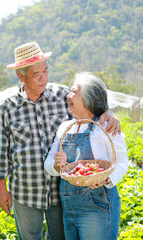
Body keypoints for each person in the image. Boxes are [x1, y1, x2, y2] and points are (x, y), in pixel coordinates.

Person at [0, 42, 121, 240]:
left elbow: (90, 99)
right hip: (25, 189)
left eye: (45, 71)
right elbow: (1, 150)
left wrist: (107, 112)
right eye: (36, 74)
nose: (43, 78)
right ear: (21, 76)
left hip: (59, 191)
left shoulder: (62, 95)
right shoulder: (8, 107)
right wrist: (2, 190)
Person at [44, 72, 129, 240]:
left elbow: (122, 163)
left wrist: (107, 179)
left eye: (74, 92)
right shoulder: (65, 127)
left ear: (89, 98)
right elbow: (49, 163)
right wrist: (56, 165)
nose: (68, 95)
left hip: (97, 206)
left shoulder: (106, 126)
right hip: (69, 207)